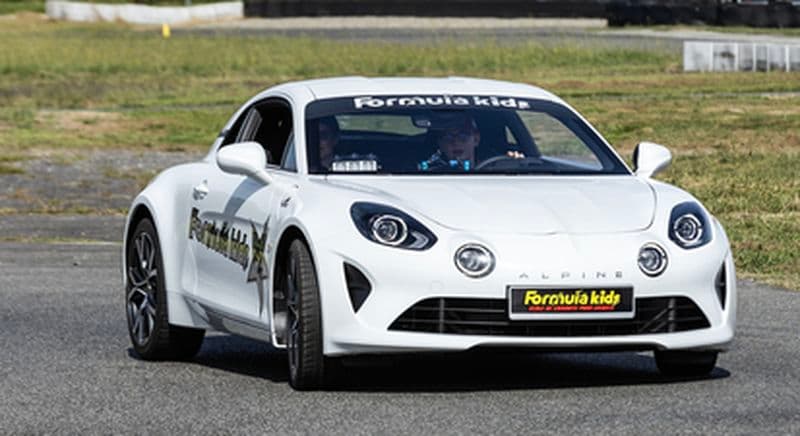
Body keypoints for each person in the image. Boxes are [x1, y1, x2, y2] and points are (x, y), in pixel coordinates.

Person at [418, 112, 524, 172]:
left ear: (476, 139)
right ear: (440, 144)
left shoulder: (501, 168)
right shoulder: (429, 171)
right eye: (448, 138)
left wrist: (518, 163)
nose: (455, 142)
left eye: (463, 136)